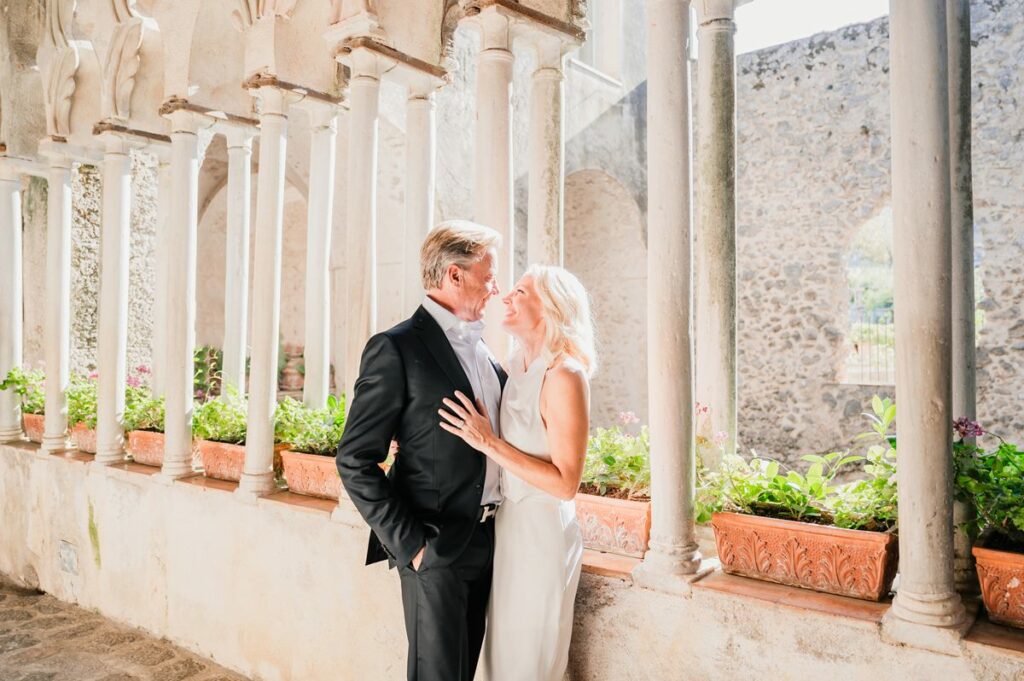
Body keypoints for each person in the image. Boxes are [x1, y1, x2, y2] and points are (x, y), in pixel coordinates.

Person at [336, 220, 505, 681]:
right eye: (488, 276)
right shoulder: (396, 348)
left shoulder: (483, 350)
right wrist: (412, 546)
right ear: (455, 275)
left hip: (491, 538)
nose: (495, 287)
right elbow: (354, 458)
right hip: (435, 544)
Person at [438, 265, 595, 681]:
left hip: (542, 537)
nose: (505, 295)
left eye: (521, 291)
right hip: (506, 530)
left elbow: (565, 483)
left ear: (550, 306)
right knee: (498, 663)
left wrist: (489, 441)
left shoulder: (565, 376)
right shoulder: (512, 367)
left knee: (528, 662)